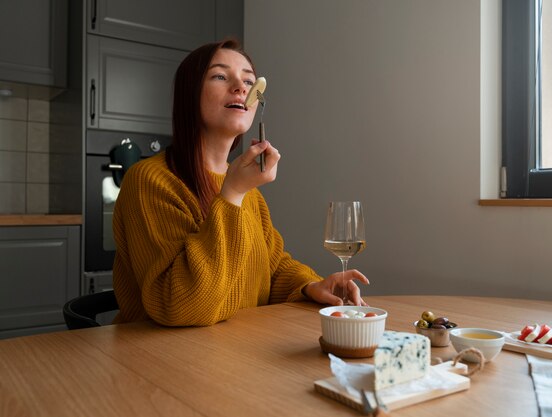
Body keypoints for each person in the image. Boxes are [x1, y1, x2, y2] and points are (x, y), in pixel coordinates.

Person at [112, 39, 369, 326]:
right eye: (220, 76)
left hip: (237, 351)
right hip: (162, 359)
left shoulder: (247, 189)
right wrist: (232, 194)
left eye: (249, 80)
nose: (241, 87)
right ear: (189, 94)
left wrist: (312, 286)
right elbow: (179, 306)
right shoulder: (150, 180)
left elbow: (272, 267)